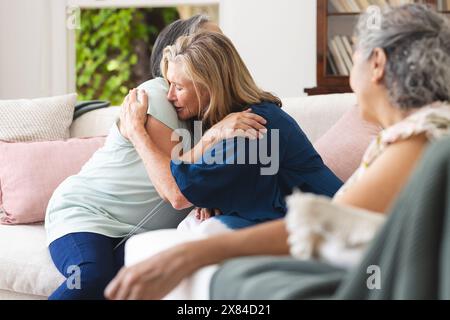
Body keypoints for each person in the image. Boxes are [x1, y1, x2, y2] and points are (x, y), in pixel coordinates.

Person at [104, 3, 450, 300]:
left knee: (229, 277)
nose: (349, 76)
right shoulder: (415, 134)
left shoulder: (420, 139)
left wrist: (192, 255)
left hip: (358, 265)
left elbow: (329, 225)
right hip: (347, 254)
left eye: (355, 54)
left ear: (377, 63)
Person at [44, 15, 241, 300]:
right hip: (86, 214)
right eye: (210, 43)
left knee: (131, 288)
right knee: (90, 277)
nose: (222, 51)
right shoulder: (157, 96)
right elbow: (177, 188)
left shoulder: (209, 112)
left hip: (135, 232)